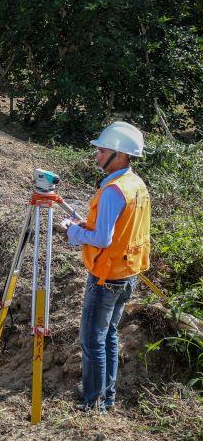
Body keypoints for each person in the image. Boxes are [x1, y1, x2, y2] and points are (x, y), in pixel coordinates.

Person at [58, 122, 151, 413]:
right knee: (108, 336)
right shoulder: (136, 184)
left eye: (102, 151)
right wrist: (84, 225)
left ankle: (93, 402)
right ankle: (105, 397)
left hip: (106, 278)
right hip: (127, 274)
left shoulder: (113, 190)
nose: (97, 156)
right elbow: (119, 229)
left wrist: (72, 233)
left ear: (120, 155)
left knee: (91, 340)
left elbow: (102, 238)